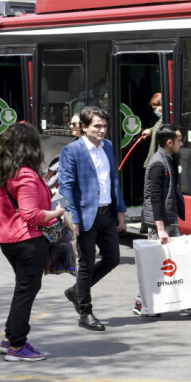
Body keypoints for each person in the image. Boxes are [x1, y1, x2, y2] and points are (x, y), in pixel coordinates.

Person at [0, 123, 66, 361]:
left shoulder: (3, 173)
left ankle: (10, 337)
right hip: (28, 240)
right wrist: (55, 214)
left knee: (24, 289)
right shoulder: (24, 175)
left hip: (9, 239)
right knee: (27, 289)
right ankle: (17, 345)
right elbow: (30, 214)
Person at [133, 124, 191, 317]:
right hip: (161, 222)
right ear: (169, 142)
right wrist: (160, 228)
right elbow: (154, 198)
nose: (182, 143)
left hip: (170, 218)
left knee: (179, 260)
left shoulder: (169, 159)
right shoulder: (157, 164)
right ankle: (141, 303)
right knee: (154, 263)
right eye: (179, 140)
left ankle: (188, 302)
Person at [58, 106, 127, 332]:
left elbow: (113, 179)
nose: (102, 130)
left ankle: (75, 292)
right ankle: (85, 312)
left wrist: (120, 210)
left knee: (113, 258)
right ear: (84, 127)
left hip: (107, 212)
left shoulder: (107, 146)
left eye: (105, 126)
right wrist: (73, 219)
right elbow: (66, 187)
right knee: (86, 264)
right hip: (86, 215)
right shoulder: (72, 151)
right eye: (97, 126)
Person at [142, 92, 163, 168]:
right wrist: (150, 131)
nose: (155, 111)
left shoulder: (164, 120)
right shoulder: (160, 120)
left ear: (161, 105)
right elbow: (156, 127)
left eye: (155, 108)